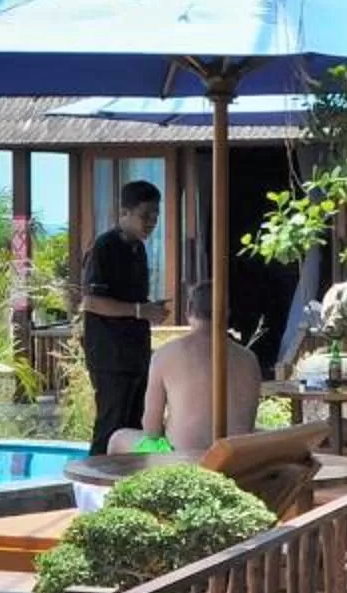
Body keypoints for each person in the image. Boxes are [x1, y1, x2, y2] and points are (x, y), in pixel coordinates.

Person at [117, 279, 262, 455]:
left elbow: (151, 431)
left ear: (188, 311)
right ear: (227, 313)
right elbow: (248, 422)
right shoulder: (249, 359)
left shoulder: (164, 355)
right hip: (233, 459)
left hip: (182, 460)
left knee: (118, 439)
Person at [79, 180, 165, 456]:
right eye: (145, 215)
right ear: (124, 213)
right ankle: (92, 488)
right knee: (111, 423)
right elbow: (91, 301)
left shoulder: (138, 249)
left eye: (155, 215)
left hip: (135, 351)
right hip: (109, 353)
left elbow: (131, 301)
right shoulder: (104, 247)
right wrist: (140, 310)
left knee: (135, 423)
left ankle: (127, 484)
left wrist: (149, 310)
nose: (151, 222)